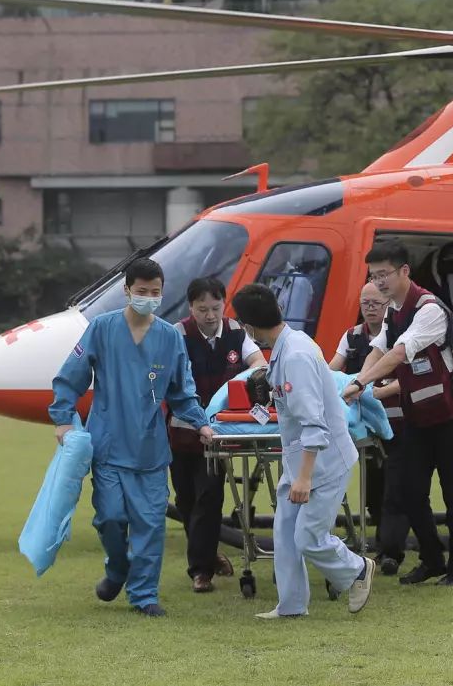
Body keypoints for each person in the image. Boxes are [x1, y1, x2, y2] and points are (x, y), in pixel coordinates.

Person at [50, 258, 215, 617]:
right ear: (126, 291)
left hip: (150, 450)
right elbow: (70, 375)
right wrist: (63, 418)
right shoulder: (102, 329)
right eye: (142, 292)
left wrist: (201, 423)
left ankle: (143, 596)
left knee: (150, 525)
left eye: (155, 292)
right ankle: (117, 570)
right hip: (108, 444)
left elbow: (182, 392)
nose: (149, 298)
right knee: (109, 517)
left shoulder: (170, 337)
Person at [231, 284, 375, 619]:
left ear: (250, 327)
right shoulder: (286, 348)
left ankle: (357, 570)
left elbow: (315, 424)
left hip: (322, 462)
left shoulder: (295, 355)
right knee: (285, 535)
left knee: (308, 537)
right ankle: (291, 606)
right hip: (300, 460)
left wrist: (304, 478)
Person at [342, 240, 453, 587]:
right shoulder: (393, 311)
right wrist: (354, 382)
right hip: (418, 417)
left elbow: (400, 353)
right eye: (373, 275)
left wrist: (360, 384)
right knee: (407, 491)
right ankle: (433, 559)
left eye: (384, 274)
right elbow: (378, 349)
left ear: (405, 271)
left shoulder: (429, 309)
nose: (379, 282)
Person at [169, 277, 267, 594]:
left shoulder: (237, 332)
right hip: (182, 432)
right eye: (202, 309)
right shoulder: (177, 334)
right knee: (185, 500)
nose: (210, 316)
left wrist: (245, 384)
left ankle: (201, 572)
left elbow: (258, 362)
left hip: (218, 435)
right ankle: (209, 555)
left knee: (209, 498)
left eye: (215, 307)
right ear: (190, 308)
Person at [328, 282, 410, 575]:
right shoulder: (351, 337)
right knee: (374, 488)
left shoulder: (403, 336)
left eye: (376, 302)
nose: (370, 308)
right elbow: (332, 369)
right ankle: (379, 543)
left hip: (399, 420)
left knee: (397, 487)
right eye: (365, 303)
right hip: (365, 427)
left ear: (389, 302)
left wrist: (372, 393)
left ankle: (391, 552)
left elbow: (411, 379)